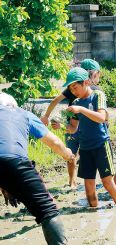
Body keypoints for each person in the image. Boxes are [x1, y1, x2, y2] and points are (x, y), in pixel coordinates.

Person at [0, 92, 74, 245]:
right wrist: (68, 156)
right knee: (48, 211)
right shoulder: (23, 114)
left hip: (8, 162)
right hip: (14, 160)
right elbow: (55, 143)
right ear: (12, 106)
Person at [64, 67, 116, 208]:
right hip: (84, 147)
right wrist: (61, 126)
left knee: (107, 182)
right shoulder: (75, 103)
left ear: (85, 82)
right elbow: (73, 128)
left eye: (75, 87)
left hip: (101, 145)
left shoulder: (97, 95)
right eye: (71, 89)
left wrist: (82, 110)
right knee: (88, 184)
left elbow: (102, 117)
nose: (73, 91)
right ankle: (93, 210)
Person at [40, 59, 101, 189]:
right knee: (90, 155)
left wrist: (46, 115)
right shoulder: (95, 90)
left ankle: (72, 181)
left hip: (72, 124)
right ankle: (90, 182)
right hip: (87, 128)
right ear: (95, 74)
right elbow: (102, 115)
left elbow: (55, 100)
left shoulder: (73, 86)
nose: (74, 90)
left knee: (70, 153)